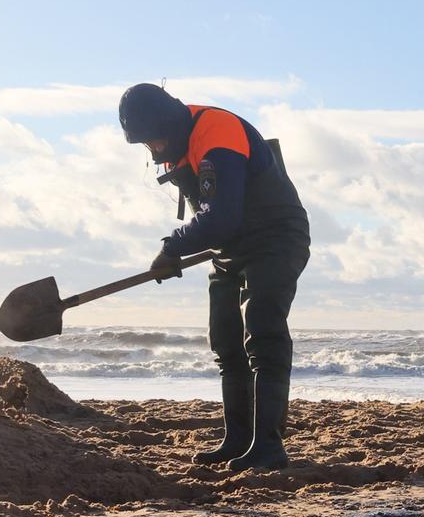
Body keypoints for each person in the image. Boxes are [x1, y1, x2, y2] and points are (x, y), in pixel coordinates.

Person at [119, 83, 311, 471]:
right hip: (229, 250)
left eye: (154, 140)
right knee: (226, 341)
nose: (154, 151)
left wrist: (172, 247)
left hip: (275, 240)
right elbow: (215, 218)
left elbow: (222, 217)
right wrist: (180, 248)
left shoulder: (217, 132)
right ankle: (237, 440)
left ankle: (268, 448)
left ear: (169, 124)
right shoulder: (179, 144)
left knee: (263, 333)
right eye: (146, 145)